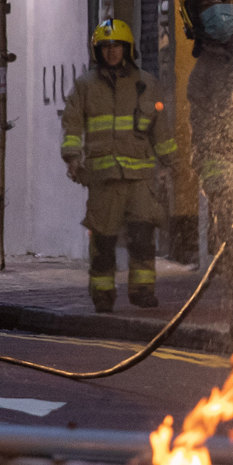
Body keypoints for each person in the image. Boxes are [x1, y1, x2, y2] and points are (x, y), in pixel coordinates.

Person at [60, 19, 175, 313]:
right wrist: (72, 156)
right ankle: (102, 294)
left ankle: (142, 291)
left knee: (142, 235)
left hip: (140, 177)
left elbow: (161, 128)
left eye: (117, 46)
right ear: (97, 51)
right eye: (106, 47)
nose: (111, 52)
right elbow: (72, 124)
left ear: (128, 49)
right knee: (103, 240)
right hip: (103, 177)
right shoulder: (85, 86)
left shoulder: (146, 84)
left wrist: (170, 164)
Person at [180, 0, 233, 337]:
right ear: (193, 18)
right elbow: (204, 140)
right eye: (207, 5)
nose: (218, 11)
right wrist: (220, 185)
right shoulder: (203, 77)